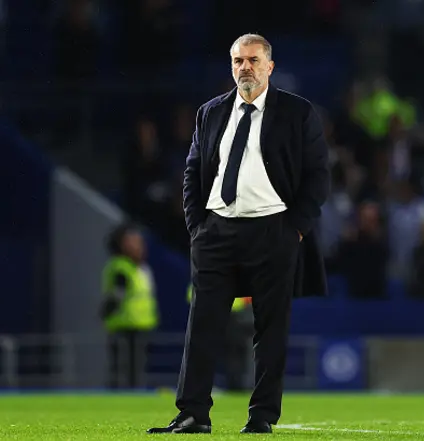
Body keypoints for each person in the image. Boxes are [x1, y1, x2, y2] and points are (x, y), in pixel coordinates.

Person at [148, 33, 329, 434]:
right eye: (237, 61)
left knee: (271, 329)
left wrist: (294, 229)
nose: (244, 68)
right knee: (202, 325)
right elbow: (192, 173)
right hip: (216, 231)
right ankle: (192, 413)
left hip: (273, 230)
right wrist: (197, 227)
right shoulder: (210, 113)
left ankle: (262, 417)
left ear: (269, 66)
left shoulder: (297, 113)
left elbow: (318, 176)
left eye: (252, 60)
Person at [100, 224, 159, 389]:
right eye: (132, 242)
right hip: (124, 326)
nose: (139, 246)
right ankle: (119, 400)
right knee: (122, 369)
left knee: (136, 369)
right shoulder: (121, 266)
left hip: (141, 325)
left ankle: (133, 396)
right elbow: (117, 295)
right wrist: (107, 312)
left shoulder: (141, 267)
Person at [186, 285, 253, 391]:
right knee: (212, 353)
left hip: (232, 318)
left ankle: (235, 385)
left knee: (233, 354)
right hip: (221, 316)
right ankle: (203, 385)